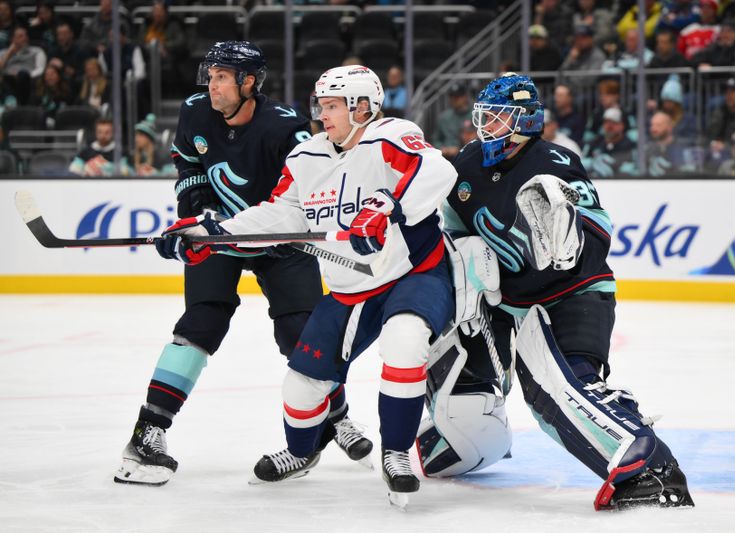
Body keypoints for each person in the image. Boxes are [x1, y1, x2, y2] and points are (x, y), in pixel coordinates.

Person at [153, 65, 457, 503]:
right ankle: (302, 453)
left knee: (405, 340)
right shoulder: (306, 158)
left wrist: (386, 204)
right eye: (321, 105)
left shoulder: (390, 135)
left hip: (413, 274)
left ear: (364, 107)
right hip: (350, 288)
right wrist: (210, 234)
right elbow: (280, 216)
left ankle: (396, 453)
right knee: (300, 384)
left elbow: (435, 171)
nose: (322, 114)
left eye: (333, 106)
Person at [425, 72, 693, 510]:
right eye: (485, 117)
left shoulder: (556, 163)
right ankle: (463, 437)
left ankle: (650, 468)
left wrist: (572, 234)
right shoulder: (469, 163)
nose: (485, 126)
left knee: (558, 386)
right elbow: (450, 230)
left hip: (574, 295)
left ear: (526, 121)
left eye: (497, 118)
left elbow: (598, 228)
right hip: (505, 304)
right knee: (456, 363)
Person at [113, 43, 372, 487]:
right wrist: (193, 222)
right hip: (221, 237)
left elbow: (303, 194)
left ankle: (335, 419)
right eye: (210, 75)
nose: (211, 85)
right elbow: (188, 166)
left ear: (249, 83)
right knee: (201, 323)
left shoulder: (285, 129)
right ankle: (147, 434)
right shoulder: (195, 110)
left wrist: (270, 225)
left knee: (303, 333)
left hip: (277, 238)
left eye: (222, 77)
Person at [433, 83, 472, 161]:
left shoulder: (475, 115)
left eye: (457, 97)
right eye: (451, 97)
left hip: (467, 157)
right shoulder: (444, 117)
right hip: (445, 157)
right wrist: (442, 148)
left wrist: (459, 148)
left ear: (465, 97)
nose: (454, 99)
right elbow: (435, 139)